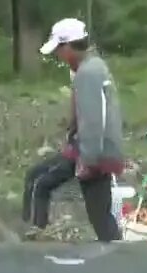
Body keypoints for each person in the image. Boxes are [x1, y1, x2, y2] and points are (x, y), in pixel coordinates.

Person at [21, 18, 125, 242]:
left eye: (59, 49)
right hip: (103, 151)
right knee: (100, 216)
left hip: (92, 152)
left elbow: (93, 120)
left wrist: (87, 160)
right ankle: (119, 257)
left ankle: (29, 243)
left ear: (68, 46)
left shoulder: (88, 73)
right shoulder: (94, 67)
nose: (58, 56)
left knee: (37, 181)